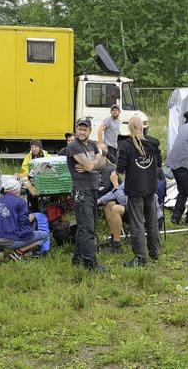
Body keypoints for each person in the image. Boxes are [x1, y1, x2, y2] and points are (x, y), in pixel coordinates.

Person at [117, 116, 162, 267]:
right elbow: (159, 165)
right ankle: (154, 252)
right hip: (150, 187)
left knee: (137, 224)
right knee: (152, 222)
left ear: (129, 127)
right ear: (143, 126)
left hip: (135, 189)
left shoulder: (125, 145)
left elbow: (120, 169)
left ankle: (141, 257)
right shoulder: (153, 143)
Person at [67, 118, 108, 272]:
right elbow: (91, 165)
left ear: (89, 130)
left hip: (93, 189)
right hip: (81, 191)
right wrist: (95, 161)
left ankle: (77, 259)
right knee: (87, 229)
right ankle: (90, 264)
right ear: (76, 129)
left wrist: (94, 162)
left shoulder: (91, 144)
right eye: (80, 129)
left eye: (85, 129)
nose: (82, 132)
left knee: (86, 227)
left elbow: (102, 164)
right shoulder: (73, 146)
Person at [0, 178, 48, 261]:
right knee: (44, 236)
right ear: (17, 190)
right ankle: (20, 252)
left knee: (5, 233)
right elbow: (24, 224)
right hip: (9, 239)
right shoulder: (20, 202)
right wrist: (31, 218)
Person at [98, 171, 128, 254]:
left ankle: (116, 246)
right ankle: (113, 239)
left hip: (142, 212)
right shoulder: (131, 177)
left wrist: (115, 184)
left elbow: (124, 201)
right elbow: (113, 193)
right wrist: (98, 201)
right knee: (109, 204)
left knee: (116, 208)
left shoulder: (140, 179)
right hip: (132, 208)